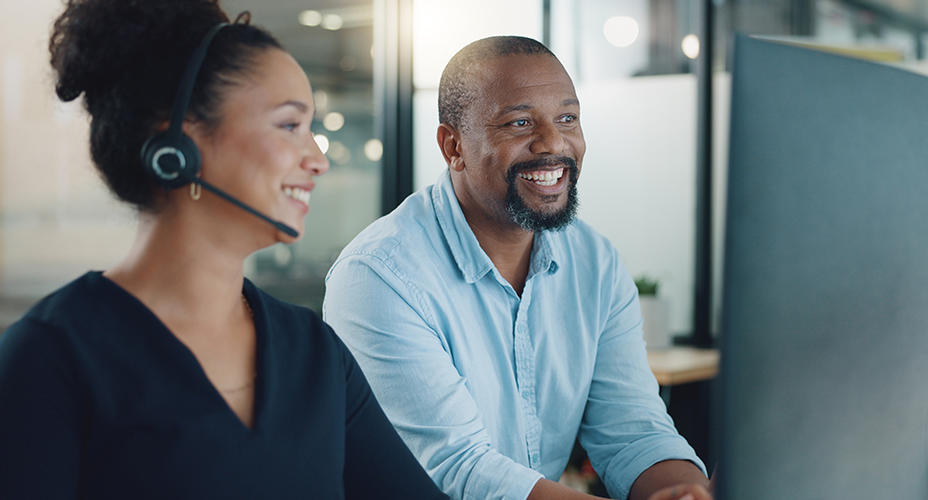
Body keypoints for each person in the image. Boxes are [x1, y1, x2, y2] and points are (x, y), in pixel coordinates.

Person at [0, 1, 446, 498]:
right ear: (181, 145)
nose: (317, 160)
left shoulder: (314, 352)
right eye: (289, 126)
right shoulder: (52, 357)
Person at [323, 36, 712, 500]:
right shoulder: (379, 277)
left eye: (567, 118)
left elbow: (634, 429)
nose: (554, 143)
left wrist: (685, 492)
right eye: (520, 122)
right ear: (453, 147)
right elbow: (458, 470)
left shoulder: (594, 262)